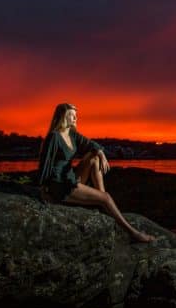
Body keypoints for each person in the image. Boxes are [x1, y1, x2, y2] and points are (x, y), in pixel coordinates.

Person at [37, 102, 155, 243]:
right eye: (71, 115)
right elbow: (44, 164)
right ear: (63, 117)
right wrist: (43, 190)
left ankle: (102, 201)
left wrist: (100, 153)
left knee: (93, 157)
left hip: (70, 178)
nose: (75, 118)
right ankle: (134, 233)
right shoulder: (54, 137)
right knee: (106, 198)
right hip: (60, 185)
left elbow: (90, 144)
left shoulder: (72, 134)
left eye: (76, 116)